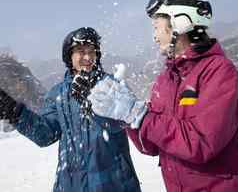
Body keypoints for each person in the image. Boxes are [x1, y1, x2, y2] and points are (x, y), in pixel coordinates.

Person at [89, 0, 238, 192]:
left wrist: (141, 116)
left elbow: (201, 142)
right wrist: (128, 116)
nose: (155, 36)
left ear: (179, 24)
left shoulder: (219, 71)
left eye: (157, 27)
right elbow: (149, 146)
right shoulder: (166, 78)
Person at [0, 27, 141, 192]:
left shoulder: (111, 85)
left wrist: (92, 100)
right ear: (69, 57)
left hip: (113, 184)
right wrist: (14, 112)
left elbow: (123, 122)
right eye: (81, 51)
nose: (88, 57)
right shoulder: (58, 94)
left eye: (92, 51)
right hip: (70, 185)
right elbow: (45, 135)